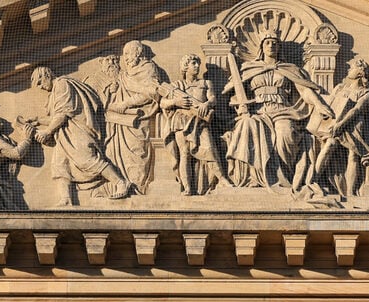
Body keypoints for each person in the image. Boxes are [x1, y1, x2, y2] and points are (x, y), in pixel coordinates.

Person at [223, 27, 335, 190]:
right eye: (267, 43)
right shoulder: (249, 68)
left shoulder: (289, 69)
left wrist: (319, 104)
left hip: (283, 110)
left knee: (285, 134)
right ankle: (255, 178)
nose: (271, 46)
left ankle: (282, 180)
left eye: (275, 43)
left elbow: (304, 90)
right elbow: (233, 93)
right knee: (247, 126)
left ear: (279, 47)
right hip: (258, 111)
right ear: (262, 47)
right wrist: (239, 106)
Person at [29, 65, 129, 205]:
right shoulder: (55, 91)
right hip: (64, 135)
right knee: (60, 165)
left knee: (88, 160)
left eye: (40, 82)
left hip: (77, 131)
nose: (40, 87)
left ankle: (120, 182)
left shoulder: (62, 84)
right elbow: (57, 117)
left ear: (47, 75)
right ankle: (66, 199)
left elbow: (63, 114)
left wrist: (48, 131)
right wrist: (38, 121)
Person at [103, 41, 169, 194]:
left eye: (127, 53)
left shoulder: (148, 68)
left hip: (139, 120)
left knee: (137, 152)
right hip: (121, 121)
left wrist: (126, 103)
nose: (125, 58)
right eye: (124, 54)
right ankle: (121, 185)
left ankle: (137, 189)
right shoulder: (125, 74)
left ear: (138, 53)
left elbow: (152, 92)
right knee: (114, 152)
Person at [160, 54, 230, 195]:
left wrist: (207, 104)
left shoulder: (205, 83)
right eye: (194, 63)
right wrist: (176, 102)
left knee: (209, 149)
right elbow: (163, 103)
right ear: (185, 66)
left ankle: (222, 179)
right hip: (181, 121)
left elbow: (213, 98)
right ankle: (187, 187)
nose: (197, 66)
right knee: (184, 153)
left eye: (198, 63)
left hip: (200, 121)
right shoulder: (176, 86)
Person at [309, 57, 369, 197]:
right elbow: (329, 103)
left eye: (352, 68)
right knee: (329, 144)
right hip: (335, 124)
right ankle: (312, 181)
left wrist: (341, 124)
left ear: (360, 72)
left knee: (353, 154)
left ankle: (350, 192)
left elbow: (356, 110)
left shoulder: (365, 92)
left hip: (353, 126)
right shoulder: (340, 88)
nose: (348, 70)